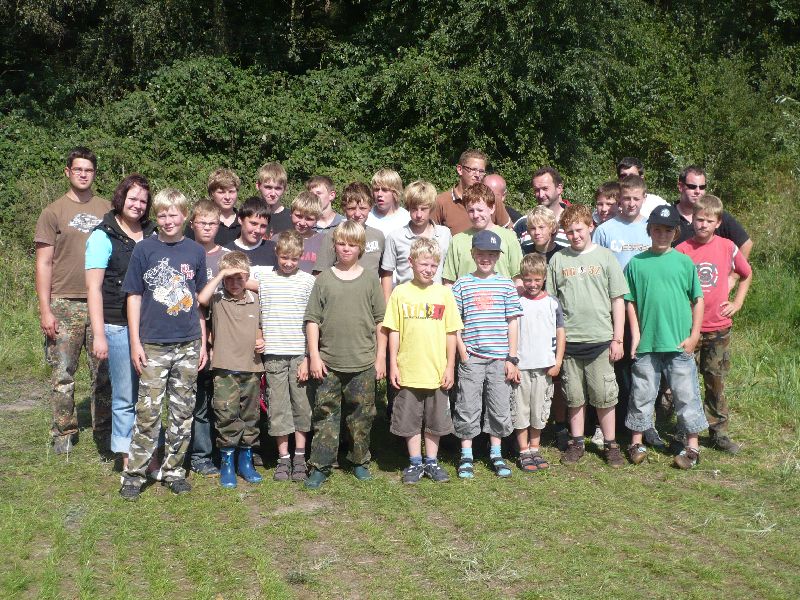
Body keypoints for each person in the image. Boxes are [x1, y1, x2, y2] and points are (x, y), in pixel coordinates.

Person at [119, 188, 208, 500]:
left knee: (182, 412)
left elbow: (198, 301)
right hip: (154, 344)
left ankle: (173, 471)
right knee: (148, 412)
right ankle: (134, 474)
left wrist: (203, 342)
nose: (168, 220)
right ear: (155, 217)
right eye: (162, 215)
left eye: (173, 214)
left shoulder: (195, 252)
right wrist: (135, 342)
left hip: (188, 343)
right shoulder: (144, 249)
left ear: (185, 216)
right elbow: (133, 296)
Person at [35, 146, 111, 455]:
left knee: (103, 373)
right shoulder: (53, 212)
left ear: (95, 174)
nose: (83, 174)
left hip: (101, 302)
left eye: (88, 170)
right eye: (78, 169)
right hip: (64, 302)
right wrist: (45, 309)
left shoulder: (107, 209)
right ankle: (63, 433)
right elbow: (43, 263)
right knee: (63, 373)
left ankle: (104, 431)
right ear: (68, 172)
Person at [624, 204, 708, 469]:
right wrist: (636, 336)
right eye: (657, 229)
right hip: (648, 344)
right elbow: (630, 301)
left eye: (668, 230)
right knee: (642, 394)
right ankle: (636, 442)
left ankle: (692, 447)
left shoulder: (684, 262)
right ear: (649, 230)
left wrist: (694, 335)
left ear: (676, 232)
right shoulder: (636, 264)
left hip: (679, 344)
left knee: (686, 395)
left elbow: (698, 300)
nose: (662, 234)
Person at [304, 221, 386, 489]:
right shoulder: (324, 279)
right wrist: (314, 356)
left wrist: (380, 358)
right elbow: (312, 320)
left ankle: (359, 461)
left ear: (361, 247)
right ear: (334, 245)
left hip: (363, 361)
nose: (346, 249)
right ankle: (320, 465)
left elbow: (380, 321)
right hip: (328, 362)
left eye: (352, 244)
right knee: (325, 414)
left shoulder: (370, 279)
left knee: (362, 416)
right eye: (341, 243)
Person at [546, 204, 628, 468]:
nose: (575, 236)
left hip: (601, 340)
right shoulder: (558, 260)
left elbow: (617, 300)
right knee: (574, 396)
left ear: (590, 226)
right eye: (569, 232)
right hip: (569, 342)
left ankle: (611, 444)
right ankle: (577, 442)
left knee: (604, 395)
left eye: (579, 230)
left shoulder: (605, 257)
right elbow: (551, 304)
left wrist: (618, 339)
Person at [86, 174, 156, 472]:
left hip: (151, 326)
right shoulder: (102, 235)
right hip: (117, 326)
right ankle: (128, 459)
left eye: (143, 200)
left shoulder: (153, 233)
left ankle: (151, 453)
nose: (138, 205)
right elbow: (93, 289)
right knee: (125, 395)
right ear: (121, 198)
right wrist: (99, 334)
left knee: (150, 395)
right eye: (133, 198)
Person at [676, 195, 752, 454]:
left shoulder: (727, 247)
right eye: (699, 219)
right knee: (681, 382)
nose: (703, 225)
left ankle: (718, 432)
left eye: (709, 221)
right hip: (688, 329)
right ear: (692, 220)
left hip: (718, 327)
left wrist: (737, 303)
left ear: (718, 223)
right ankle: (682, 430)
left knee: (714, 381)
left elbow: (746, 273)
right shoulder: (682, 250)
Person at [384, 238, 463, 484]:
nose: (428, 270)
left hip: (437, 371)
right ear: (411, 262)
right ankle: (415, 462)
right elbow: (393, 330)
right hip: (408, 370)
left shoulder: (444, 294)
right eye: (423, 264)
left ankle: (431, 461)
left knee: (435, 420)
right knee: (409, 420)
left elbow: (451, 332)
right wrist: (393, 364)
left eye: (433, 265)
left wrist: (450, 366)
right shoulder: (400, 292)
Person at [451, 230, 522, 479]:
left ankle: (496, 453)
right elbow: (454, 322)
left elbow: (512, 322)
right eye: (481, 253)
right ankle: (466, 455)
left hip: (500, 358)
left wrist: (512, 357)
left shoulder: (506, 285)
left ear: (498, 256)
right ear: (473, 254)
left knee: (499, 406)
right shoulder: (462, 284)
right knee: (467, 406)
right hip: (472, 357)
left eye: (491, 254)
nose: (486, 258)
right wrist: (463, 352)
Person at [197, 251, 265, 488]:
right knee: (226, 415)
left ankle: (245, 461)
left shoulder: (256, 299)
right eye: (229, 279)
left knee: (250, 416)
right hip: (224, 368)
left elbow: (261, 325)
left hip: (252, 367)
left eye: (239, 278)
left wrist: (262, 339)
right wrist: (221, 274)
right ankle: (227, 462)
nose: (235, 283)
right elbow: (201, 299)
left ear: (247, 277)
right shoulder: (217, 299)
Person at [259, 230, 316, 481]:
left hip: (299, 354)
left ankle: (300, 455)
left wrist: (308, 356)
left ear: (301, 256)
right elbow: (256, 309)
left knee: (302, 405)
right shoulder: (264, 279)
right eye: (284, 257)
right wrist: (259, 334)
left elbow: (313, 321)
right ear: (276, 253)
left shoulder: (308, 282)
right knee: (278, 406)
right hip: (273, 353)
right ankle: (283, 457)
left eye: (294, 258)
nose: (289, 263)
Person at [186, 199, 229, 477]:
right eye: (202, 222)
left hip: (225, 334)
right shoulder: (184, 252)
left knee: (223, 397)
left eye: (212, 223)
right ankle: (200, 454)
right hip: (193, 332)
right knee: (199, 397)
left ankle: (224, 449)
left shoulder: (227, 256)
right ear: (192, 224)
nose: (207, 227)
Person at [514, 253, 565, 472]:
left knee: (539, 409)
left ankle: (535, 447)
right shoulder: (517, 301)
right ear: (522, 279)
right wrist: (512, 362)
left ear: (544, 278)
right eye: (528, 280)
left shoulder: (552, 303)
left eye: (537, 279)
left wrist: (558, 361)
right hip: (521, 367)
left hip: (544, 367)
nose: (532, 284)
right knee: (520, 410)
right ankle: (523, 450)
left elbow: (560, 332)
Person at [380, 180, 452, 299]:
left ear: (431, 208)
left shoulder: (444, 234)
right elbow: (387, 274)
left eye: (423, 209)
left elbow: (449, 273)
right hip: (406, 301)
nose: (418, 215)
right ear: (408, 208)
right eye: (414, 209)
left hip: (437, 301)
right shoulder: (395, 237)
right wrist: (387, 304)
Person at [442, 183, 523, 284]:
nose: (476, 215)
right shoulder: (457, 241)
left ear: (492, 208)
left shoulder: (509, 237)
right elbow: (449, 282)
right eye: (471, 210)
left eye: (480, 210)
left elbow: (518, 278)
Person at [673, 166, 752, 260]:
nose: (698, 191)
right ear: (680, 186)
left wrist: (733, 269)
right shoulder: (668, 216)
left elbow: (746, 244)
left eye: (702, 187)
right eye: (692, 187)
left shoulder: (716, 215)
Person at [432, 149, 511, 234]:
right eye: (473, 169)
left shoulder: (492, 199)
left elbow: (509, 234)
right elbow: (430, 235)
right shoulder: (441, 202)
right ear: (460, 169)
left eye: (481, 171)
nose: (477, 175)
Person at [313, 182, 385, 275]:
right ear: (344, 208)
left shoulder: (378, 236)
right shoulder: (333, 235)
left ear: (370, 207)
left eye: (363, 208)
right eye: (352, 208)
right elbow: (320, 274)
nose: (357, 214)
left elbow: (384, 273)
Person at [223, 196, 276, 281]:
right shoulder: (226, 251)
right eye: (253, 223)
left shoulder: (275, 250)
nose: (258, 230)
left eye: (263, 226)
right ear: (240, 220)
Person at [186, 168, 242, 246]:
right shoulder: (199, 222)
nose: (227, 197)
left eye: (231, 192)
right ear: (212, 194)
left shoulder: (244, 222)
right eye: (221, 192)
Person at [275, 191, 325, 273]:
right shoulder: (278, 239)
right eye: (298, 216)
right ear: (291, 213)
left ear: (317, 219)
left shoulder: (324, 241)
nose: (302, 223)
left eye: (309, 219)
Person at [521, 166, 570, 248]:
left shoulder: (575, 222)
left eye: (545, 188)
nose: (541, 195)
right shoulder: (523, 223)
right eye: (537, 190)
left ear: (559, 188)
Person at [366, 168, 410, 237]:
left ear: (395, 192)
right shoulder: (367, 216)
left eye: (384, 190)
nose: (379, 194)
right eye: (376, 189)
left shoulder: (406, 219)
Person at [255, 161, 293, 237]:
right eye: (268, 187)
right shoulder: (249, 215)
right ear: (258, 186)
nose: (273, 194)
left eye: (278, 188)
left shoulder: (292, 218)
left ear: (285, 189)